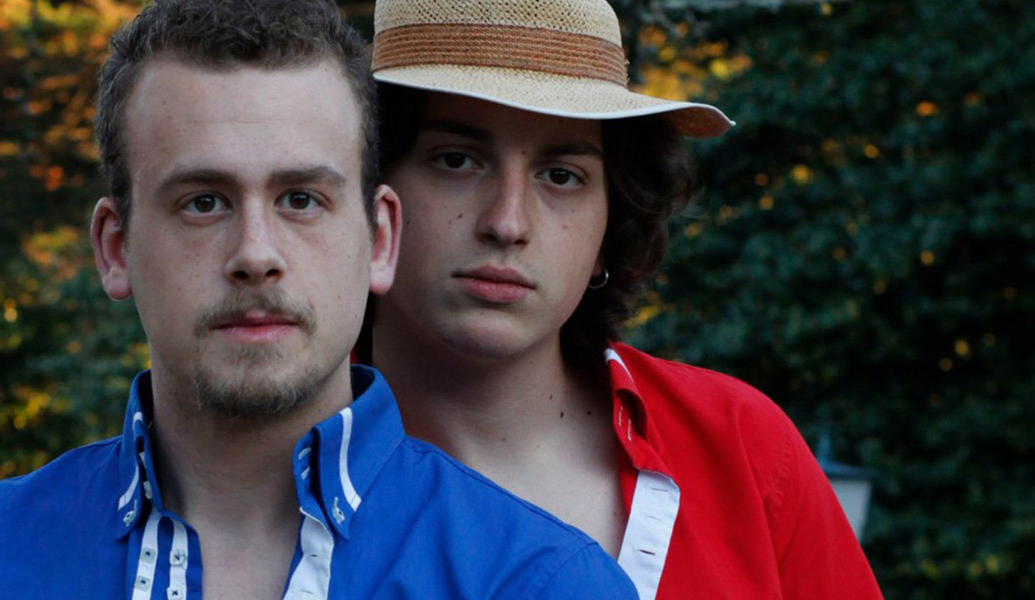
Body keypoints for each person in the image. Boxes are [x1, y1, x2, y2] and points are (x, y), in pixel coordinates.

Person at [0, 0, 639, 598]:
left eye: (301, 199)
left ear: (380, 239)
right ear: (116, 248)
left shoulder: (541, 582)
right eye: (203, 202)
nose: (255, 255)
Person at [363, 0, 884, 598]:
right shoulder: (282, 459)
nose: (507, 223)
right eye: (456, 160)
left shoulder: (742, 448)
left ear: (611, 225)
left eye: (561, 175)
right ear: (367, 193)